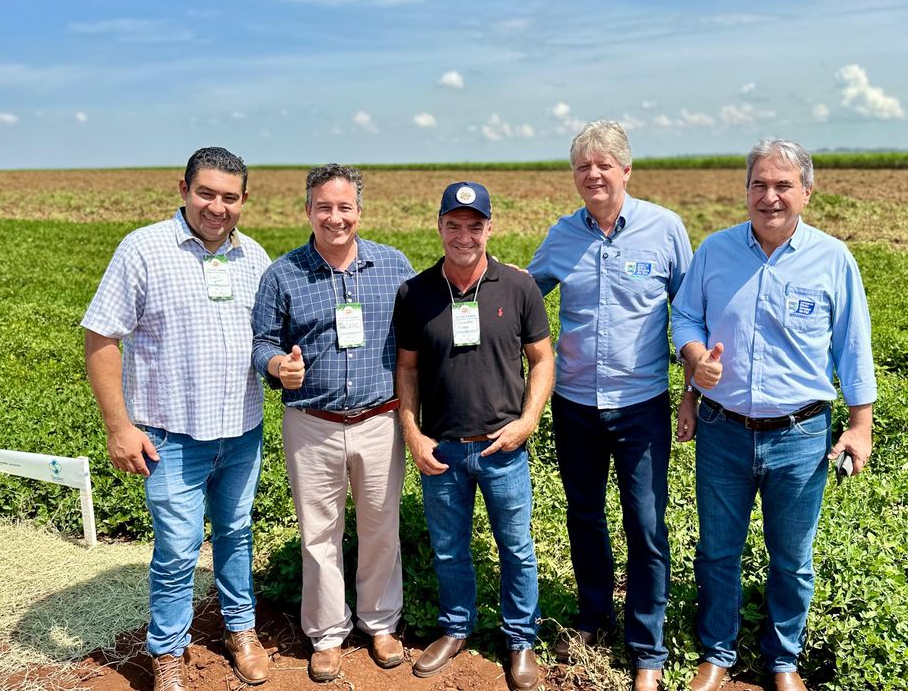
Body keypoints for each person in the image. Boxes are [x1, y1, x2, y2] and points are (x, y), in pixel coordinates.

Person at [671, 139, 877, 691]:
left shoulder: (832, 258)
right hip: (723, 430)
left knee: (792, 558)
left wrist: (860, 424)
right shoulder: (715, 251)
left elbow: (853, 345)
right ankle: (717, 652)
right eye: (759, 185)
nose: (770, 197)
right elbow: (685, 316)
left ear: (807, 192)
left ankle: (783, 660)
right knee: (717, 550)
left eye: (783, 185)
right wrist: (694, 358)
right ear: (746, 192)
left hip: (800, 434)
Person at [83, 147, 271, 691]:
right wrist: (119, 428)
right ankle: (167, 650)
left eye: (229, 197)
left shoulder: (253, 256)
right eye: (206, 193)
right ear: (183, 190)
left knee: (236, 532)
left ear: (243, 200)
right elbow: (101, 337)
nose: (217, 207)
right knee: (178, 549)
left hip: (242, 431)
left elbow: (267, 337)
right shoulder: (144, 249)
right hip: (171, 437)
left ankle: (240, 628)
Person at [525, 120, 693, 691]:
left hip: (641, 404)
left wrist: (691, 390)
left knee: (645, 524)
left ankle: (647, 647)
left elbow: (690, 313)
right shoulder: (562, 235)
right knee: (584, 515)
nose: (593, 175)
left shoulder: (664, 229)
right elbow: (525, 296)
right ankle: (594, 618)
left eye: (603, 165)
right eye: (583, 167)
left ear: (626, 170)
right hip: (574, 403)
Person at [251, 163, 413, 683]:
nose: (335, 217)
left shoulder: (394, 265)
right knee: (318, 533)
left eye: (345, 207)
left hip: (379, 419)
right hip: (312, 422)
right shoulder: (283, 274)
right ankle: (326, 634)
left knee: (381, 526)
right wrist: (278, 365)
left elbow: (420, 329)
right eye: (324, 207)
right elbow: (262, 343)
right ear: (308, 211)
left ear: (359, 211)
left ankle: (380, 623)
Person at [394, 181, 554, 691]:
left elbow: (542, 359)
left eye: (474, 225)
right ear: (439, 226)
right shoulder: (415, 293)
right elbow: (407, 369)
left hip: (503, 447)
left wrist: (528, 420)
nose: (464, 235)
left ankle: (520, 639)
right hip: (441, 448)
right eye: (454, 225)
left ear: (490, 227)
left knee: (516, 548)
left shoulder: (519, 286)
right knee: (448, 549)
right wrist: (413, 433)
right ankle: (456, 628)